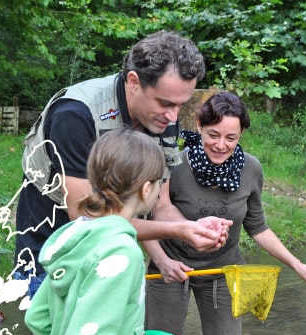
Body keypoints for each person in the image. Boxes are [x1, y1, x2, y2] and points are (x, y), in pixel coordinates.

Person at [140, 91, 306, 335]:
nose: (221, 145)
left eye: (231, 137)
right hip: (169, 269)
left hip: (224, 272)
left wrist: (297, 264)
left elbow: (258, 227)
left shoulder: (250, 169)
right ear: (198, 126)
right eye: (213, 135)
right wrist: (164, 261)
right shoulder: (174, 164)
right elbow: (145, 219)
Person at [13, 30, 229, 302]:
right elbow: (88, 221)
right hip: (51, 254)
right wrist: (178, 231)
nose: (173, 117)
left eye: (181, 105)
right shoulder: (75, 115)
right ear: (134, 81)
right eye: (165, 103)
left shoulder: (164, 118)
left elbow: (158, 204)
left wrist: (193, 227)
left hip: (112, 254)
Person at [25, 128, 179, 335]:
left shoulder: (76, 234)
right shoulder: (121, 252)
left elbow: (39, 318)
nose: (160, 190)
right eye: (160, 182)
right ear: (147, 189)